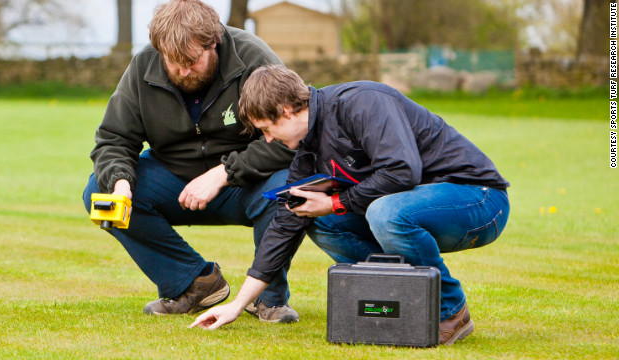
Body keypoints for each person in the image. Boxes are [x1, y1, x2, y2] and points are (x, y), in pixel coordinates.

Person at [190, 65, 511, 345]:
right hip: (417, 211)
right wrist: (238, 304)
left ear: (286, 110)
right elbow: (286, 225)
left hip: (479, 199)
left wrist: (335, 201)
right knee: (315, 218)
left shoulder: (361, 103)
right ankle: (404, 301)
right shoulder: (307, 151)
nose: (269, 139)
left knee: (384, 213)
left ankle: (450, 312)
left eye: (266, 129)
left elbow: (402, 170)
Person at [82, 0, 301, 323]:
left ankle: (267, 298)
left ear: (214, 42)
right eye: (173, 62)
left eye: (192, 61)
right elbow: (114, 139)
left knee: (288, 190)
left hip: (245, 182)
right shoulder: (143, 65)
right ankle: (195, 283)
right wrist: (120, 182)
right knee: (97, 192)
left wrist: (224, 172)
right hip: (174, 178)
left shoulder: (252, 57)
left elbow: (292, 136)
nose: (183, 71)